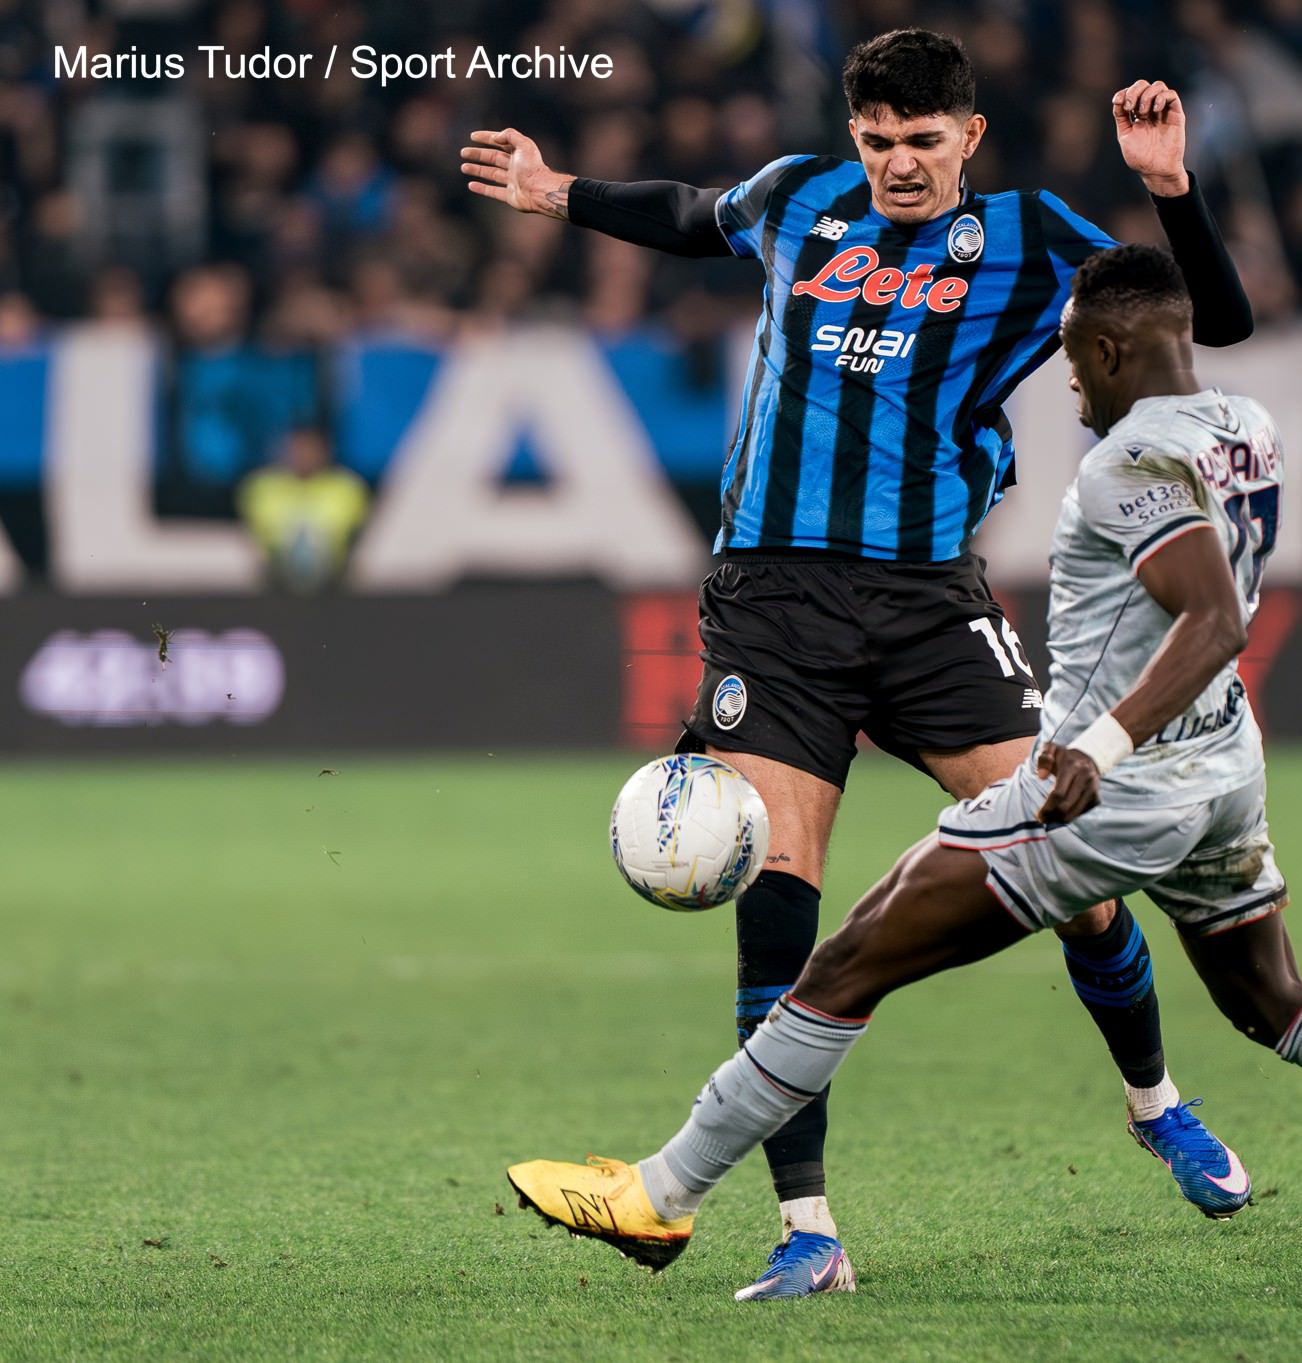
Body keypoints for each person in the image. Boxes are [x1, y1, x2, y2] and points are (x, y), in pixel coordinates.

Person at [507, 244, 1302, 1306]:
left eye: (1074, 355)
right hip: (1223, 771)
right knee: (1276, 1002)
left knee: (841, 967)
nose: (1066, 378)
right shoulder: (1241, 425)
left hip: (1109, 791)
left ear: (1114, 349)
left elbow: (1211, 618)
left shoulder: (1124, 466)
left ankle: (661, 1192)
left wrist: (1097, 751)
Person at [463, 29, 1258, 1299]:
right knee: (781, 906)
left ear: (969, 139)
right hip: (769, 601)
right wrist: (560, 191)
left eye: (921, 142)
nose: (896, 164)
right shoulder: (794, 199)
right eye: (877, 140)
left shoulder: (1032, 238)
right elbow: (685, 214)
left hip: (926, 604)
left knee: (1076, 863)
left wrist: (1169, 187)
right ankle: (809, 1231)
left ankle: (1154, 1100)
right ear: (854, 135)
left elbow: (1211, 319)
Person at [236, 425, 370, 593]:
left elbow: (344, 531)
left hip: (333, 580)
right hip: (276, 579)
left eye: (310, 448)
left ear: (325, 451)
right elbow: (266, 532)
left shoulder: (348, 487)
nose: (304, 455)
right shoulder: (260, 486)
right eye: (298, 448)